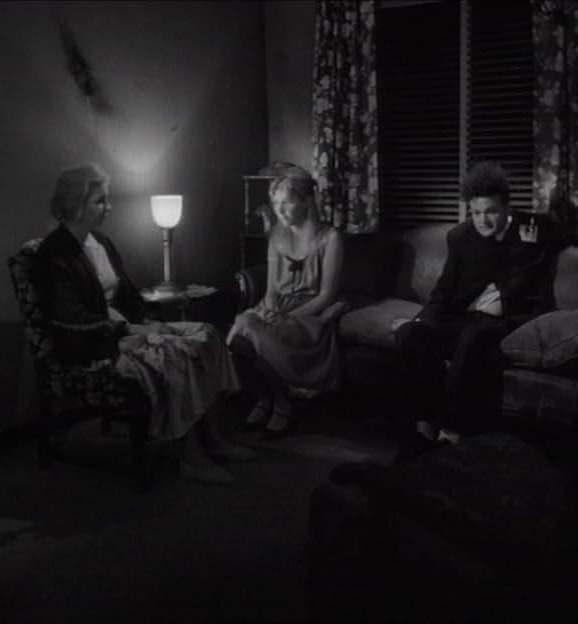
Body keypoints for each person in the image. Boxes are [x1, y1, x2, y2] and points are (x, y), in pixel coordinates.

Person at [33, 162, 255, 485]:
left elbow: (128, 295)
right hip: (94, 342)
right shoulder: (55, 255)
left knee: (207, 335)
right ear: (75, 205)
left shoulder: (101, 242)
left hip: (127, 327)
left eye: (106, 199)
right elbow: (74, 320)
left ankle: (214, 436)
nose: (108, 207)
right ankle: (190, 455)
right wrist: (138, 331)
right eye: (100, 201)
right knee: (177, 352)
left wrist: (152, 322)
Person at [393, 161, 578, 461]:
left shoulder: (534, 227)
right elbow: (444, 291)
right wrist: (419, 321)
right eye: (476, 213)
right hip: (465, 317)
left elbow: (576, 227)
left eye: (490, 211)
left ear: (507, 207)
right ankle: (422, 430)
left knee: (473, 337)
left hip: (511, 319)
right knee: (409, 335)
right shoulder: (461, 237)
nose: (482, 221)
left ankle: (452, 434)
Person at [227, 166, 346, 437]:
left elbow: (326, 295)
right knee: (241, 331)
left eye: (287, 202)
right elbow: (270, 290)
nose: (279, 210)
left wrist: (287, 318)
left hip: (309, 313)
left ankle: (281, 403)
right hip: (278, 307)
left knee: (253, 330)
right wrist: (269, 310)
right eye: (275, 203)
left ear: (306, 201)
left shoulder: (331, 238)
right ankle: (264, 398)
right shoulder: (277, 237)